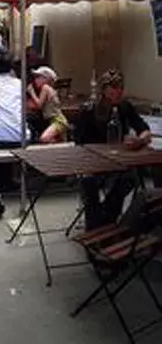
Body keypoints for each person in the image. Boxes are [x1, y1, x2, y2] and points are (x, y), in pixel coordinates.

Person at [74, 69, 151, 231]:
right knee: (89, 184)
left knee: (129, 178)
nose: (116, 97)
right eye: (112, 94)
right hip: (91, 161)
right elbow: (79, 143)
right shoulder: (88, 111)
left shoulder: (124, 106)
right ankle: (100, 224)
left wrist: (140, 139)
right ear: (103, 92)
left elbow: (143, 128)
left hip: (118, 160)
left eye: (119, 92)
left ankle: (105, 219)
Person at [26, 66, 69, 143]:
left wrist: (31, 92)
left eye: (38, 77)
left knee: (44, 138)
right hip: (54, 121)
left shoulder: (45, 88)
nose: (36, 80)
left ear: (46, 79)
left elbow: (39, 105)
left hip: (58, 121)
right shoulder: (49, 89)